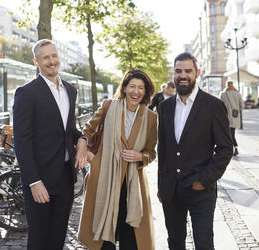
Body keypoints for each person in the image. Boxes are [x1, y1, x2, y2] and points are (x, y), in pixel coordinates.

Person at [13, 39, 88, 250]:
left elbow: (69, 129)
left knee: (57, 237)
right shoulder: (27, 93)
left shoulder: (70, 90)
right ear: (37, 62)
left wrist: (82, 140)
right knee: (39, 240)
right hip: (40, 178)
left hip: (65, 177)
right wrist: (34, 182)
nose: (51, 61)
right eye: (45, 57)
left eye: (54, 56)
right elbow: (22, 141)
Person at [157, 52, 233, 250]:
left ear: (197, 73)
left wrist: (204, 179)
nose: (183, 75)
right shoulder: (164, 107)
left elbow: (225, 149)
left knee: (204, 244)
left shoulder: (214, 105)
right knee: (174, 243)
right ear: (173, 74)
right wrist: (162, 184)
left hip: (200, 189)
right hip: (171, 190)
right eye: (178, 71)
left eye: (188, 71)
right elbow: (163, 148)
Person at [78, 69, 158, 250]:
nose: (135, 91)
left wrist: (140, 156)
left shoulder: (152, 118)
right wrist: (91, 156)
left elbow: (151, 152)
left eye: (140, 88)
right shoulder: (108, 106)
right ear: (124, 88)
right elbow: (87, 131)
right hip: (104, 180)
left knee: (132, 236)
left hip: (133, 184)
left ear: (145, 92)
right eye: (132, 86)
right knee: (104, 237)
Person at [220, 81, 244, 156]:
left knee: (227, 134)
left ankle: (232, 148)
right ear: (232, 85)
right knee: (232, 133)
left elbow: (219, 105)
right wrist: (236, 108)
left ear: (226, 85)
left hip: (225, 117)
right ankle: (234, 148)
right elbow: (242, 106)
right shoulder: (238, 94)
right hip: (235, 117)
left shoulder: (223, 94)